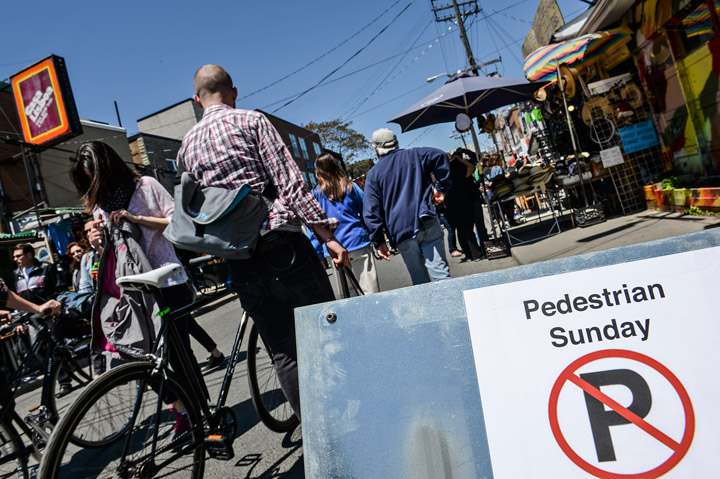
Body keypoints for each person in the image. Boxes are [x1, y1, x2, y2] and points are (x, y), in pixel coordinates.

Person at [176, 64, 349, 420]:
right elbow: (290, 184)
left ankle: (318, 435)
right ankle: (351, 414)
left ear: (197, 100)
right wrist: (326, 236)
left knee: (284, 352)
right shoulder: (251, 122)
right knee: (325, 331)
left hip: (237, 259)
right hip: (280, 245)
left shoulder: (186, 147)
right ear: (233, 92)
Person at [70, 140, 205, 432]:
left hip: (166, 282)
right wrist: (95, 241)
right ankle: (181, 408)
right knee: (137, 358)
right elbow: (113, 250)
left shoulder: (146, 185)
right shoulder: (100, 205)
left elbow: (178, 225)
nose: (97, 183)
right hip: (129, 292)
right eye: (89, 179)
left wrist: (137, 218)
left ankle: (201, 413)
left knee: (178, 354)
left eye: (96, 175)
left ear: (108, 167)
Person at [362, 128, 452, 285]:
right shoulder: (415, 155)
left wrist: (378, 241)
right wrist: (441, 189)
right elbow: (440, 156)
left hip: (400, 231)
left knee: (420, 282)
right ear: (395, 143)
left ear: (376, 148)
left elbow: (371, 212)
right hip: (426, 220)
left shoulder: (374, 174)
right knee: (442, 276)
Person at [312, 153, 380, 295]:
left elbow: (313, 226)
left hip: (333, 247)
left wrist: (318, 253)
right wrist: (377, 237)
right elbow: (367, 212)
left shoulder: (316, 194)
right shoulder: (351, 187)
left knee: (348, 293)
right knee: (370, 290)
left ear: (318, 171)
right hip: (358, 242)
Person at [444, 150, 484, 262]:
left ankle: (468, 254)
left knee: (460, 229)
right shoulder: (459, 171)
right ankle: (476, 253)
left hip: (450, 205)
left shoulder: (442, 175)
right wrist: (461, 160)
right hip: (464, 201)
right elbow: (472, 168)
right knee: (468, 228)